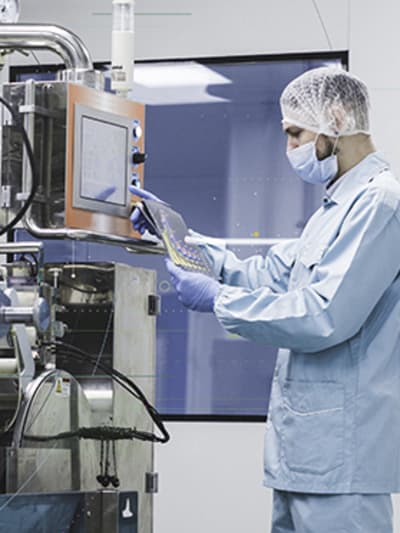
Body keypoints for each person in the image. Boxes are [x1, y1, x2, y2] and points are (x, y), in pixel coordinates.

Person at [130, 66, 400, 532]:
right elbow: (268, 274)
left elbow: (323, 315)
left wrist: (219, 300)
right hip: (307, 454)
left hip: (343, 458)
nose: (289, 149)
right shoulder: (335, 209)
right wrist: (177, 236)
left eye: (294, 133)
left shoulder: (379, 204)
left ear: (335, 117)